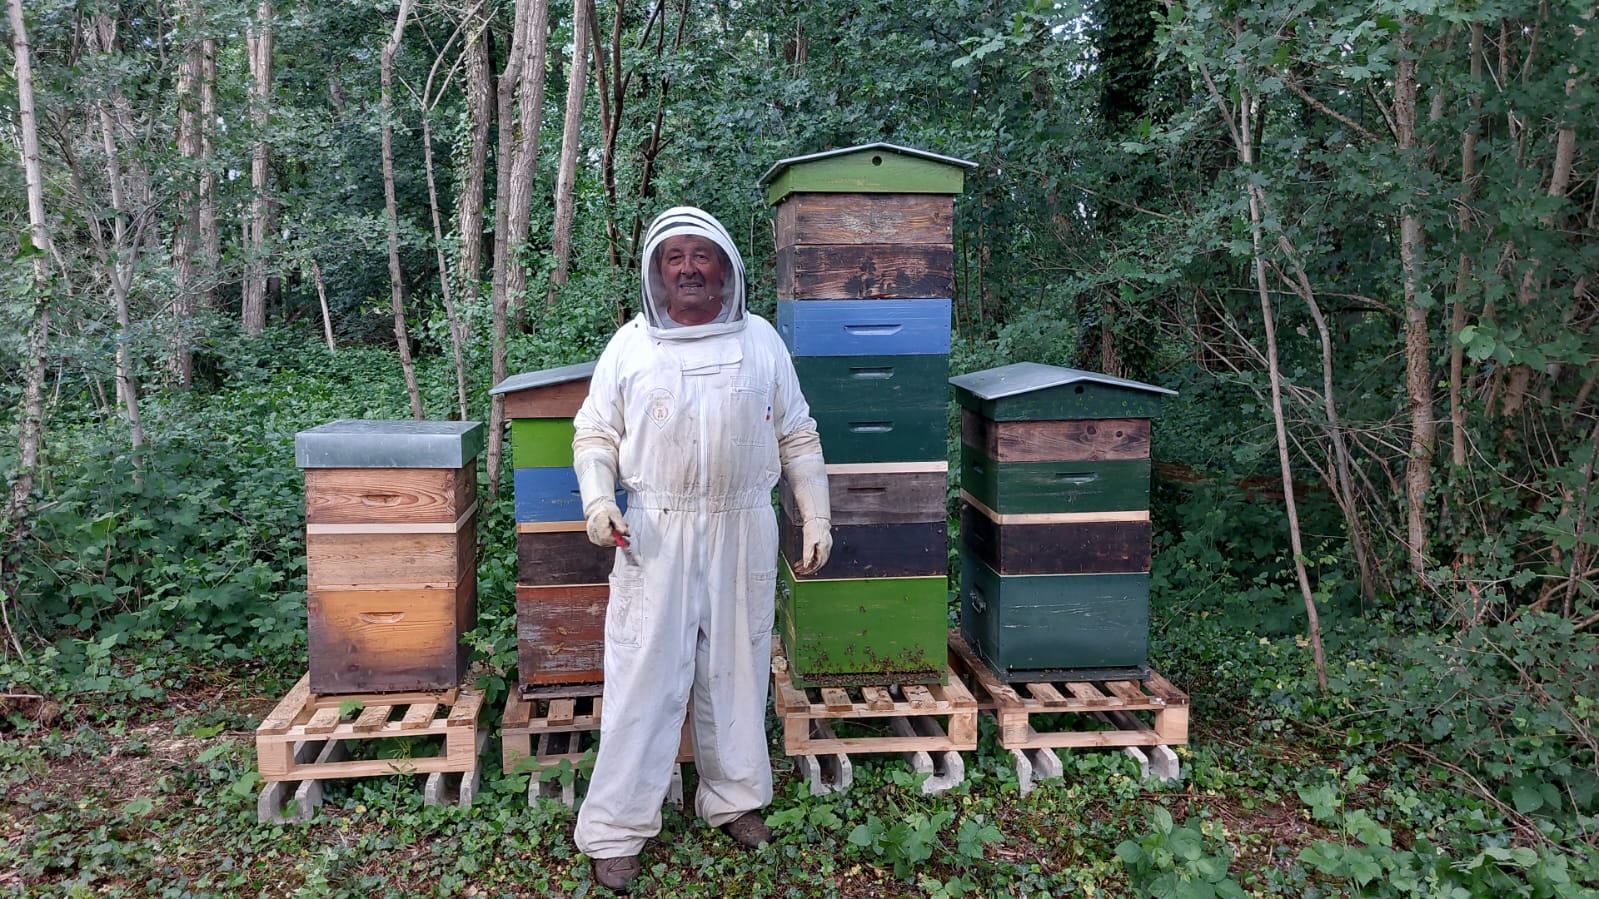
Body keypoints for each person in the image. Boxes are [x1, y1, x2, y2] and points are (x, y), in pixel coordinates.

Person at [570, 206, 833, 893]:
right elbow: (594, 435)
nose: (687, 268)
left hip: (743, 523)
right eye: (673, 257)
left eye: (700, 255)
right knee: (642, 675)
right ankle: (616, 828)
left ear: (725, 266)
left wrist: (817, 515)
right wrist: (600, 501)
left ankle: (734, 798)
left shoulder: (763, 342)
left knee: (737, 666)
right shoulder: (629, 347)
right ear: (655, 270)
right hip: (655, 529)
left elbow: (798, 436)